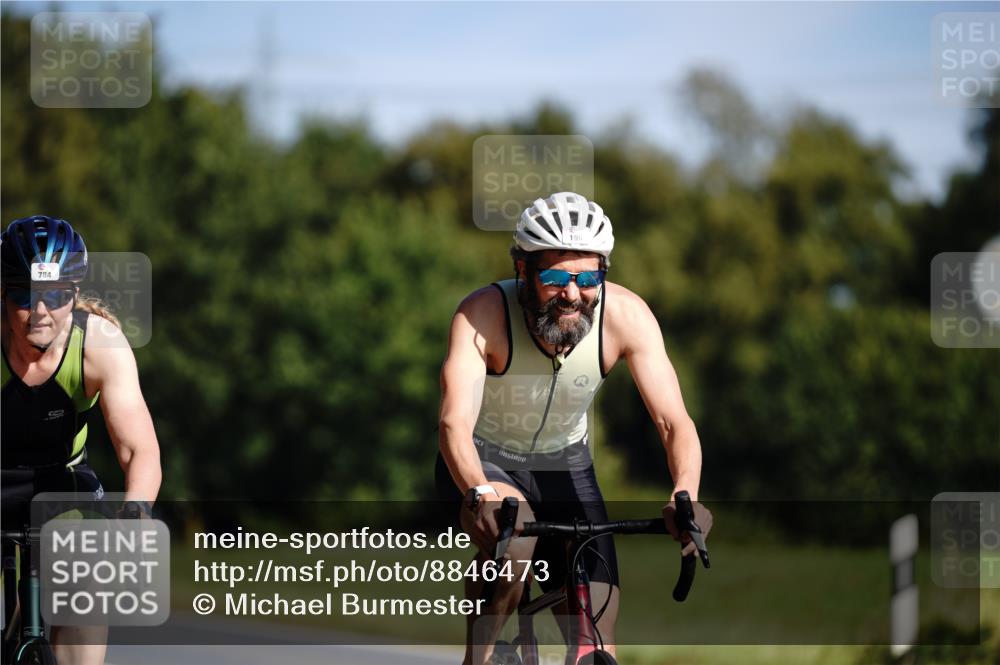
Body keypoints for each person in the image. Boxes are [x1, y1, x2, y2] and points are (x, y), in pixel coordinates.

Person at [436, 192, 712, 664]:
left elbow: (673, 421)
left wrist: (684, 494)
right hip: (485, 460)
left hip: (566, 464)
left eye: (587, 278)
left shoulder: (625, 316)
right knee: (515, 542)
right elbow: (453, 423)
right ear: (523, 270)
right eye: (554, 278)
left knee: (598, 635)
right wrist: (479, 492)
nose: (572, 294)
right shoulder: (482, 314)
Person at [1, 215, 161, 665]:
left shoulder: (100, 344)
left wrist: (137, 511)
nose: (40, 312)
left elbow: (137, 448)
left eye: (55, 297)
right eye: (22, 296)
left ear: (73, 295)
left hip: (60, 485)